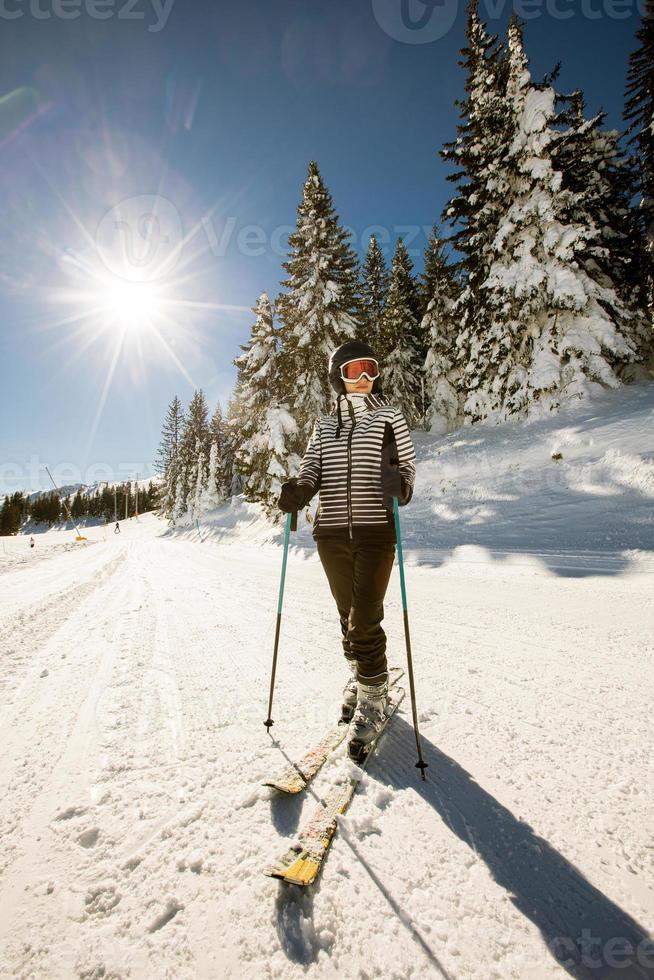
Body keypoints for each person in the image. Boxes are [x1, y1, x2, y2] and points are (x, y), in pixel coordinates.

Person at [278, 340, 416, 750]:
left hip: (376, 531)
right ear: (339, 375)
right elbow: (312, 469)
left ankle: (374, 697)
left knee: (364, 619)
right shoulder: (324, 426)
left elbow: (406, 468)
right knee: (347, 615)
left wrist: (400, 486)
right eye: (356, 370)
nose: (366, 379)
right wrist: (299, 491)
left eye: (372, 370)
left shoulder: (389, 417)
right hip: (332, 533)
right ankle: (362, 676)